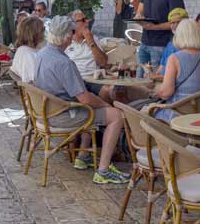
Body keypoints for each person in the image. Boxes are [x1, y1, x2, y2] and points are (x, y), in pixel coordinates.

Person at [33, 16, 128, 184]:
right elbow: (84, 98)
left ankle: (83, 156)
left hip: (45, 112)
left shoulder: (41, 54)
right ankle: (103, 170)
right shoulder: (64, 63)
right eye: (71, 32)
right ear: (67, 37)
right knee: (116, 115)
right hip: (61, 116)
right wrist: (105, 104)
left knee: (92, 107)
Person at [151, 20, 200, 122]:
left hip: (178, 115)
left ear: (179, 36)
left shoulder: (174, 58)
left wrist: (156, 91)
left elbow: (166, 93)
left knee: (143, 114)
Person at [135, 0, 185, 77]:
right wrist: (138, 16)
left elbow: (177, 23)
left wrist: (154, 27)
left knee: (155, 81)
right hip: (144, 41)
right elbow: (140, 9)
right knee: (139, 79)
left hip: (161, 44)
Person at [156, 8, 190, 77]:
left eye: (178, 22)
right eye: (172, 22)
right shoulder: (170, 44)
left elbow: (179, 75)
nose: (175, 25)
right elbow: (161, 67)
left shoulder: (190, 45)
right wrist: (153, 76)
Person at [11, 16, 45, 84]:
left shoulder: (24, 50)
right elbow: (33, 82)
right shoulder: (28, 55)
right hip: (41, 93)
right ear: (35, 33)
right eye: (43, 29)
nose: (45, 32)